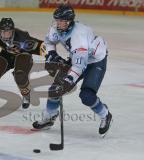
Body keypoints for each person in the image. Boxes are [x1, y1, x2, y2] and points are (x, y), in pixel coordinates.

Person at [32, 5, 113, 137]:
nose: (57, 24)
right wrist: (51, 53)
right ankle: (49, 117)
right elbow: (49, 41)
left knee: (86, 96)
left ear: (69, 22)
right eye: (56, 20)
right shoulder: (58, 28)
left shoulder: (79, 37)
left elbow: (79, 66)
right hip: (77, 58)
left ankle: (105, 114)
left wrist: (69, 79)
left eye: (61, 21)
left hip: (95, 61)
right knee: (55, 90)